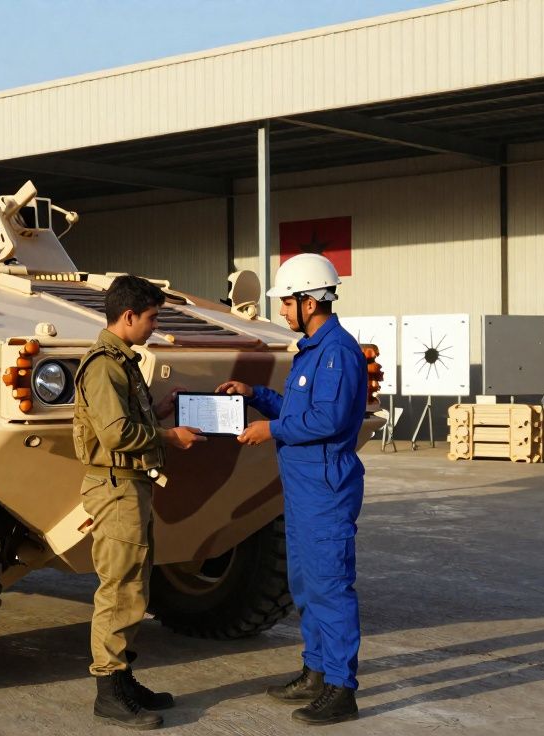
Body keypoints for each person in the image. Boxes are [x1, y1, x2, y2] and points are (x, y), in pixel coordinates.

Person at [215, 253, 368, 726]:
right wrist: (256, 395)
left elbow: (329, 419)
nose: (281, 311)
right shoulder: (312, 349)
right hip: (303, 490)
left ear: (308, 300)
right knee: (305, 585)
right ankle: (316, 672)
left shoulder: (337, 352)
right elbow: (301, 407)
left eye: (285, 302)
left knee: (330, 588)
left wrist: (272, 430)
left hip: (325, 487)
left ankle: (341, 688)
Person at [73, 274, 206, 730]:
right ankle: (109, 691)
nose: (154, 327)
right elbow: (115, 434)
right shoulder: (104, 366)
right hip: (115, 488)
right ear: (128, 316)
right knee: (118, 588)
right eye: (151, 318)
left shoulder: (121, 362)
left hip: (129, 485)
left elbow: (125, 420)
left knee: (134, 586)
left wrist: (161, 410)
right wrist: (169, 435)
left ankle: (122, 679)